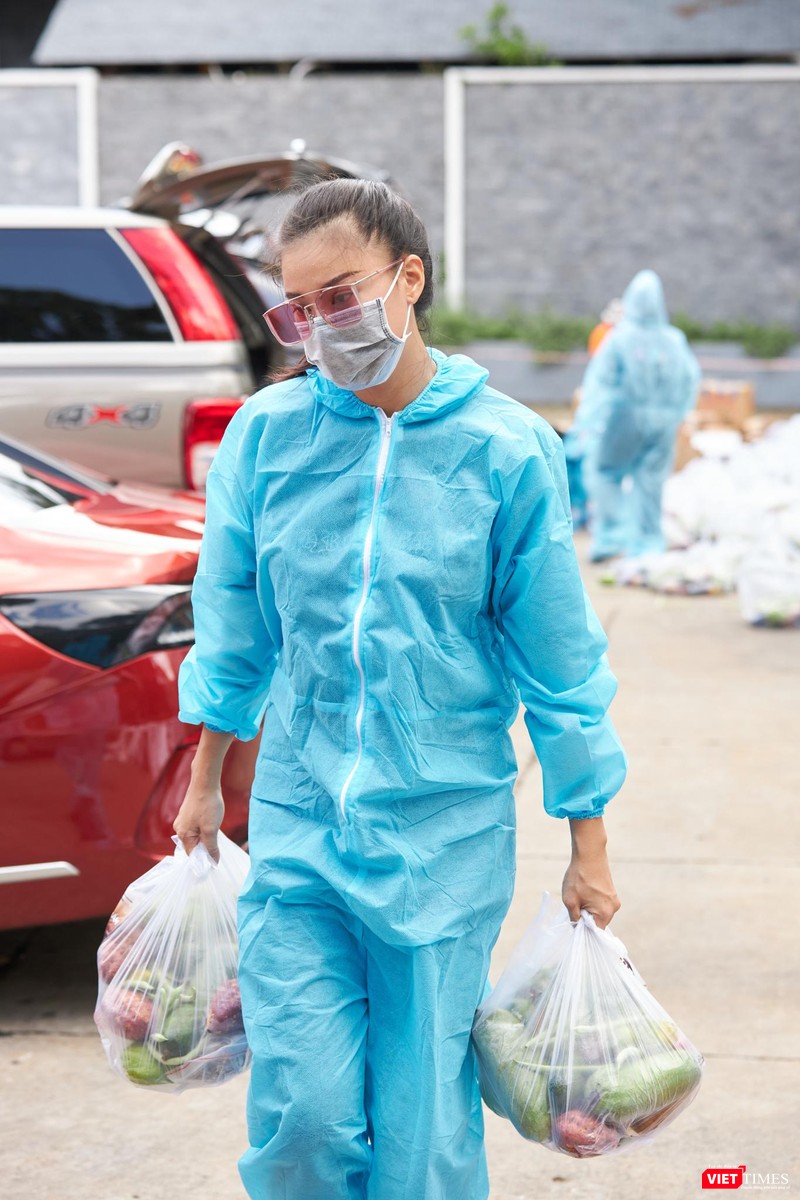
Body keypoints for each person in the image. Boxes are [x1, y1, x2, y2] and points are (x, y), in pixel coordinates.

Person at [174, 179, 627, 1200]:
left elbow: (559, 661)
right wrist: (206, 778)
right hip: (297, 817)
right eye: (296, 312)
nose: (319, 330)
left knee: (420, 1128)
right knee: (301, 1116)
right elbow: (235, 621)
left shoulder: (505, 449)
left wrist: (586, 839)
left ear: (408, 278)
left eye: (339, 297)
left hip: (443, 835)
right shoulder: (267, 437)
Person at [577, 270, 701, 562]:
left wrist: (587, 422)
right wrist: (678, 413)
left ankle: (610, 537)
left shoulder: (619, 339)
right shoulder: (674, 339)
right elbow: (690, 379)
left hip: (625, 419)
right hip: (664, 422)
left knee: (606, 471)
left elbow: (599, 383)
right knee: (651, 480)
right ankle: (647, 541)